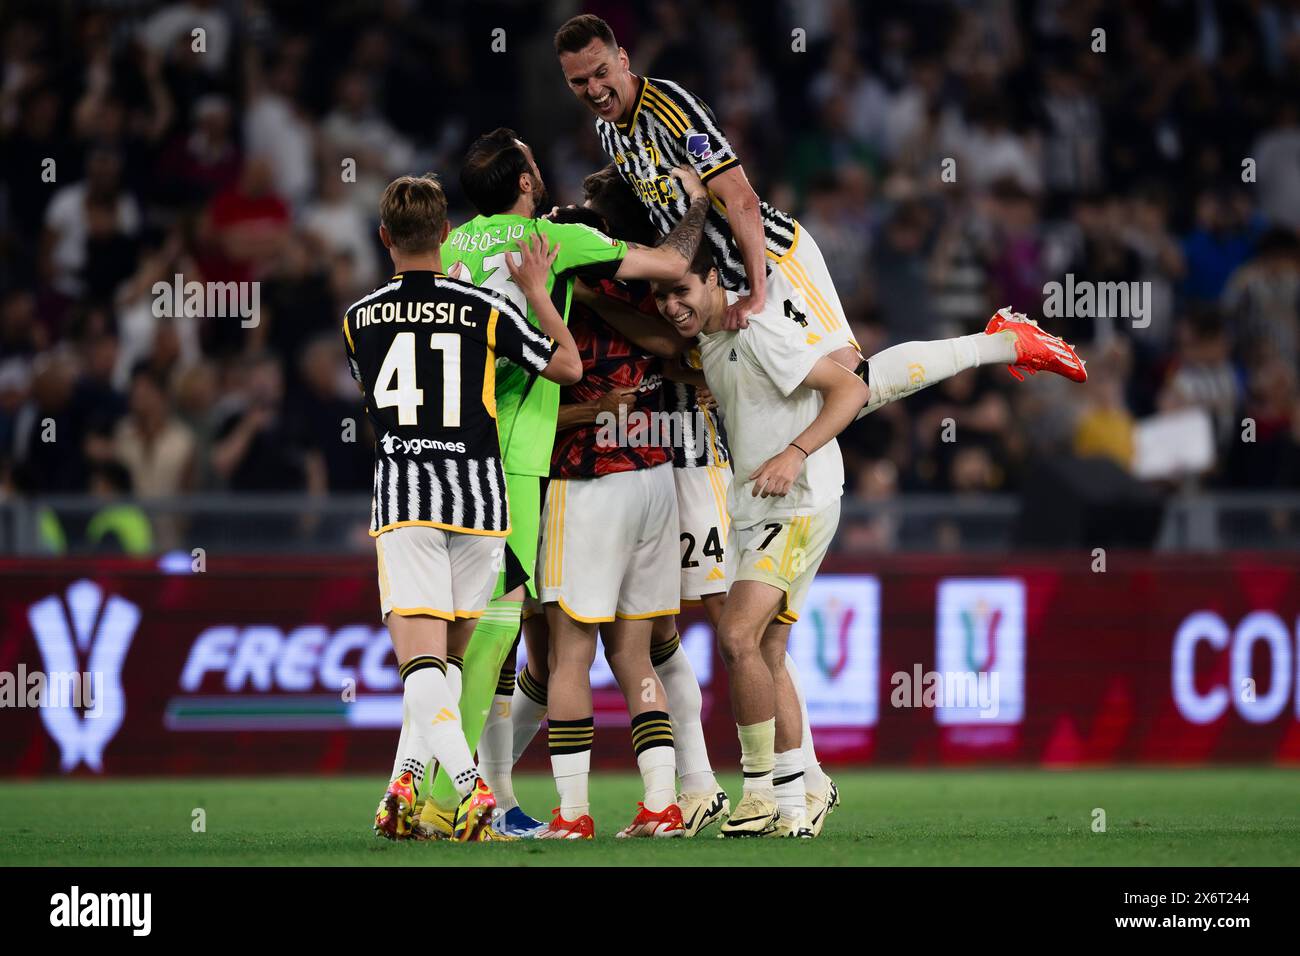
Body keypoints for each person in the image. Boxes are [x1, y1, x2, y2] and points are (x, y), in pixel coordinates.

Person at [415, 129, 711, 839]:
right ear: (524, 179)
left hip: (485, 459)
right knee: (597, 647)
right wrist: (698, 198)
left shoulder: (452, 249)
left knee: (507, 642)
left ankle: (505, 801)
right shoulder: (562, 245)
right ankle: (654, 802)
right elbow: (673, 265)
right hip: (593, 467)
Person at [344, 172, 581, 842]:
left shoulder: (357, 319)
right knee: (444, 666)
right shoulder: (484, 309)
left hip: (408, 502)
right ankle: (402, 790)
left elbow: (376, 399)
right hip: (481, 504)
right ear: (446, 234)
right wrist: (538, 293)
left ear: (385, 237)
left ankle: (472, 793)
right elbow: (567, 368)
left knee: (420, 666)